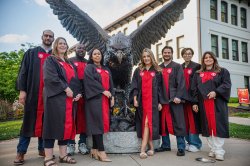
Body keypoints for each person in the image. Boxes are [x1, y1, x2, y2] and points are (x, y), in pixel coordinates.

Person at [14, 30, 54, 165]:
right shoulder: (31, 53)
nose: (48, 38)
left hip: (49, 95)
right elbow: (23, 72)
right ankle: (21, 152)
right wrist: (22, 91)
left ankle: (42, 149)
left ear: (53, 39)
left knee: (46, 122)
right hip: (33, 94)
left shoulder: (54, 55)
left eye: (50, 36)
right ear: (42, 37)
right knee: (28, 122)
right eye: (46, 36)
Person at [43, 37, 82, 166]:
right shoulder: (51, 60)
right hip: (55, 99)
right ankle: (48, 158)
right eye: (60, 43)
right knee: (51, 126)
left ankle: (63, 155)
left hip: (69, 101)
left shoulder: (69, 62)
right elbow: (50, 77)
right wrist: (65, 88)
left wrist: (77, 94)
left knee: (65, 127)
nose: (63, 45)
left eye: (65, 43)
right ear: (55, 45)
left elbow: (75, 80)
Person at [191, 51, 231, 161]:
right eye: (205, 58)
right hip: (203, 104)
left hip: (217, 104)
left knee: (218, 126)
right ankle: (212, 149)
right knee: (207, 127)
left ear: (214, 59)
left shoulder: (222, 71)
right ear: (203, 60)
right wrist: (194, 102)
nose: (208, 59)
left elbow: (226, 84)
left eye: (210, 57)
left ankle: (219, 151)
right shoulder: (198, 74)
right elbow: (194, 89)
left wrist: (216, 92)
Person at [83, 48, 114, 162]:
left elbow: (111, 84)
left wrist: (112, 96)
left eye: (99, 54)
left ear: (101, 56)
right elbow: (89, 82)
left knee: (100, 124)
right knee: (97, 124)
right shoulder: (89, 68)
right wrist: (102, 90)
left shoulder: (106, 69)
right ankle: (102, 151)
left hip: (105, 100)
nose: (97, 55)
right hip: (95, 100)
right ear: (91, 56)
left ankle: (94, 150)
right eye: (94, 54)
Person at [130, 48, 162, 159]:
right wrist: (135, 99)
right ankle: (151, 147)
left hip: (153, 102)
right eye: (144, 56)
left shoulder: (157, 71)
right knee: (145, 123)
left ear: (151, 57)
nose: (146, 58)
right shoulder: (138, 70)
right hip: (142, 101)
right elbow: (134, 85)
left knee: (148, 123)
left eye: (148, 56)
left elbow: (160, 88)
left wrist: (160, 102)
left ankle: (143, 149)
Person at [155, 46, 187, 156]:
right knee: (163, 123)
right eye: (165, 52)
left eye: (169, 52)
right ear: (162, 54)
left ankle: (181, 147)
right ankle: (165, 145)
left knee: (178, 122)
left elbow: (181, 82)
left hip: (175, 100)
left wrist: (178, 96)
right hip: (163, 100)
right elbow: (156, 86)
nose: (167, 54)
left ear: (172, 53)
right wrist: (158, 101)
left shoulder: (177, 66)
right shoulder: (158, 68)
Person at [67, 43, 89, 155]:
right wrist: (76, 92)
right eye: (79, 48)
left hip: (86, 96)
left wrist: (83, 93)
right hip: (74, 96)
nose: (82, 49)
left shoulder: (88, 63)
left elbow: (89, 81)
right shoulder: (69, 61)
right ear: (75, 49)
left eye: (84, 48)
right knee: (72, 120)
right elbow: (69, 78)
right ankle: (70, 144)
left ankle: (82, 143)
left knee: (84, 120)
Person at [181, 48, 202, 152]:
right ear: (183, 55)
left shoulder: (197, 66)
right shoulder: (180, 67)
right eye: (185, 54)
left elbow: (198, 84)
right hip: (182, 100)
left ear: (192, 55)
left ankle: (195, 143)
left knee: (193, 122)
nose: (187, 55)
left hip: (192, 99)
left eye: (189, 54)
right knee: (184, 122)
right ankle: (188, 142)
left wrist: (195, 100)